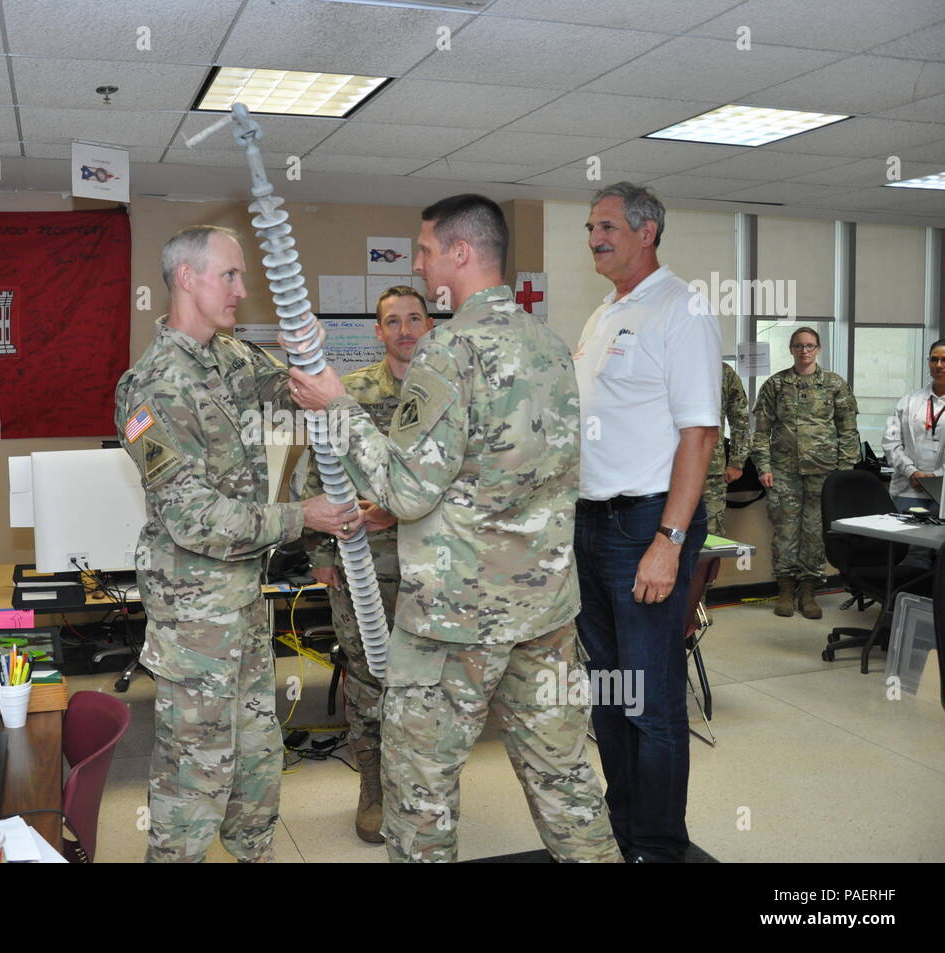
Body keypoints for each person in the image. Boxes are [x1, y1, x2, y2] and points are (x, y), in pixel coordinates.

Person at [290, 194, 620, 863]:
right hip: (545, 611)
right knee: (566, 781)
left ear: (461, 253)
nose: (417, 262)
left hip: (456, 620)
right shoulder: (551, 347)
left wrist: (339, 406)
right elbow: (522, 472)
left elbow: (407, 489)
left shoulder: (450, 350)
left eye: (426, 250)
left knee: (420, 796)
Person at [115, 225, 361, 863]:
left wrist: (309, 356)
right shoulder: (152, 388)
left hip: (245, 605)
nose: (242, 290)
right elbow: (194, 519)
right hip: (195, 619)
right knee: (194, 779)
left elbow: (290, 397)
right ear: (188, 278)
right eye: (230, 275)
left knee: (257, 765)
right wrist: (300, 515)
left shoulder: (228, 357)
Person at [573, 182, 720, 864]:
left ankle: (658, 847)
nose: (595, 236)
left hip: (646, 526)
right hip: (591, 525)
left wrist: (670, 540)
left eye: (606, 226)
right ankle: (622, 831)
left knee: (650, 703)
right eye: (591, 227)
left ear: (647, 231)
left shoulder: (680, 307)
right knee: (608, 696)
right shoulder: (604, 314)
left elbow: (699, 433)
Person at [301, 284, 433, 843]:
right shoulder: (346, 396)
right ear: (378, 332)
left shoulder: (448, 396)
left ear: (430, 327)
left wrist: (397, 511)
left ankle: (422, 789)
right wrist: (319, 553)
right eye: (393, 321)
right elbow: (316, 473)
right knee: (369, 679)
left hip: (437, 566)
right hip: (362, 566)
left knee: (429, 683)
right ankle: (375, 787)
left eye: (414, 318)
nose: (405, 329)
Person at [752, 326, 860, 620]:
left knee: (814, 533)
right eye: (799, 346)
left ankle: (809, 590)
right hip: (783, 471)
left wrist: (845, 473)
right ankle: (786, 589)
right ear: (791, 349)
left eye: (810, 346)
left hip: (823, 473)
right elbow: (760, 432)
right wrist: (763, 467)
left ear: (819, 349)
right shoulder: (775, 385)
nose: (804, 351)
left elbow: (848, 431)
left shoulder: (835, 385)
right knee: (785, 532)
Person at [883, 339, 945, 513]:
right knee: (902, 538)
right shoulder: (909, 401)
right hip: (908, 489)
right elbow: (890, 442)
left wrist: (934, 477)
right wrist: (911, 471)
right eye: (934, 359)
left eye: (944, 360)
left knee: (936, 540)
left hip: (943, 492)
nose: (938, 365)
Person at [703, 363, 750, 537]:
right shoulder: (668, 363)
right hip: (668, 469)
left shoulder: (723, 372)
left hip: (711, 471)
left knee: (711, 535)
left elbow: (740, 421)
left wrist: (737, 461)